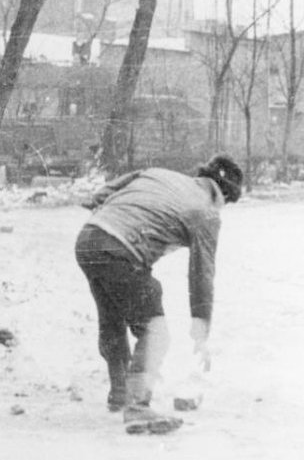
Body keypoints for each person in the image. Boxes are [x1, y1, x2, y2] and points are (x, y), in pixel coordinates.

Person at [74, 155, 243, 427]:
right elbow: (202, 273)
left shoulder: (157, 173)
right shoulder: (207, 212)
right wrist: (201, 325)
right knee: (155, 332)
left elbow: (101, 194)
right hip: (121, 249)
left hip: (88, 239)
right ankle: (137, 405)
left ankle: (120, 393)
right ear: (224, 194)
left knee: (113, 318)